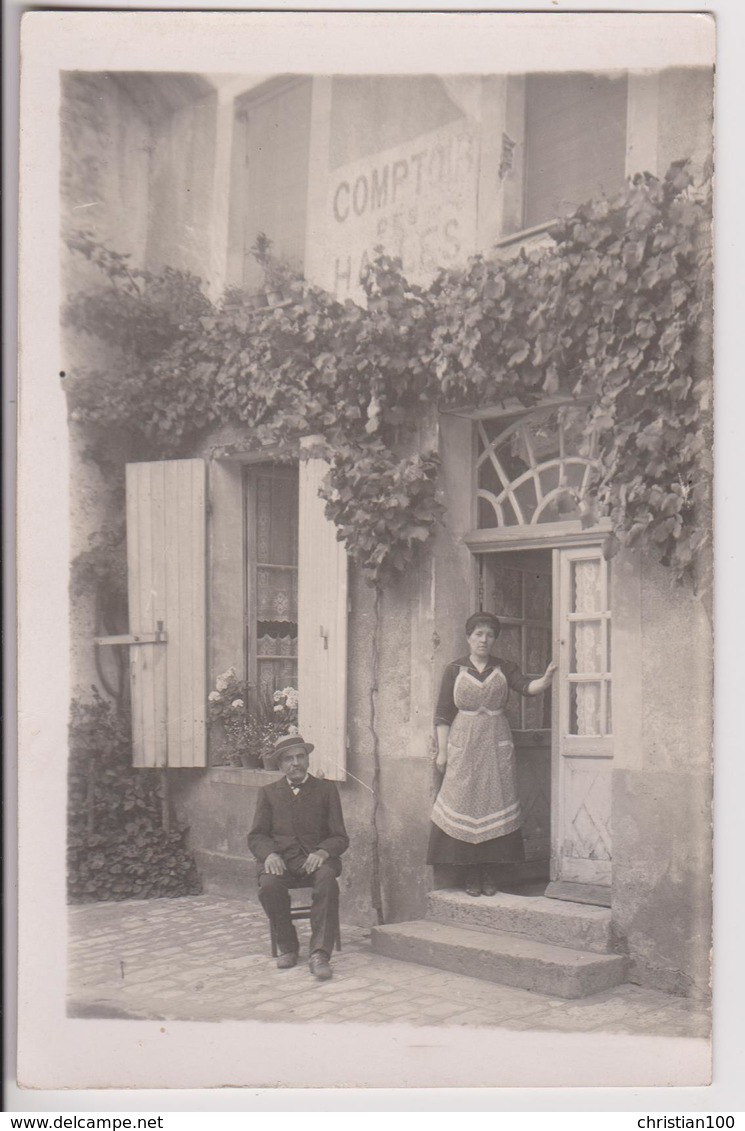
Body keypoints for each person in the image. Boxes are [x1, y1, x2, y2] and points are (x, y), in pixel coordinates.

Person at [427, 612, 556, 898]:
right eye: (478, 634)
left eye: (489, 635)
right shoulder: (454, 670)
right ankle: (470, 873)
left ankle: (489, 872)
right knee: (466, 801)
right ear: (468, 638)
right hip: (464, 743)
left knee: (494, 801)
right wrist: (443, 751)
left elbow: (526, 687)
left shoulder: (504, 667)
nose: (483, 640)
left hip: (496, 742)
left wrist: (545, 680)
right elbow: (443, 713)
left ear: (494, 639)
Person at [247, 733, 349, 980]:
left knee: (327, 881)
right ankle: (288, 946)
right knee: (269, 885)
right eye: (289, 759)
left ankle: (320, 954)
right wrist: (270, 854)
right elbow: (256, 836)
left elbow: (340, 837)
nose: (295, 763)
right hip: (282, 861)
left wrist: (323, 852)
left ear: (308, 760)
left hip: (317, 862)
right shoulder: (269, 793)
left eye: (300, 757)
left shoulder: (326, 790)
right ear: (280, 764)